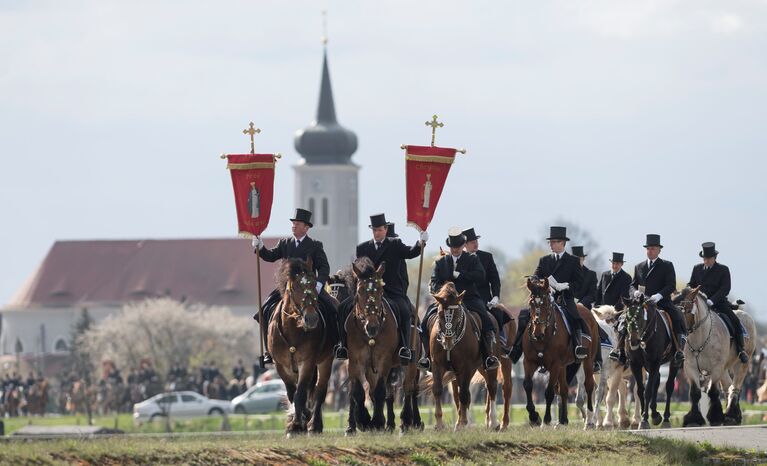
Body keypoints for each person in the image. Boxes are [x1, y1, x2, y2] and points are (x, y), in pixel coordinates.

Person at [337, 213, 427, 361]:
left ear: (385, 229)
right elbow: (359, 270)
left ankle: (404, 348)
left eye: (379, 230)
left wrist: (420, 243)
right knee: (342, 308)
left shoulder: (395, 244)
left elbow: (411, 253)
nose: (377, 233)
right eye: (374, 230)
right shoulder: (362, 247)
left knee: (405, 311)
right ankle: (343, 346)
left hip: (391, 291)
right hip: (367, 293)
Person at [252, 208, 336, 364]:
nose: (293, 226)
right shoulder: (285, 243)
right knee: (264, 311)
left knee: (333, 308)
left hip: (310, 287)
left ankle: (336, 345)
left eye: (297, 224)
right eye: (293, 223)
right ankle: (269, 351)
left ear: (306, 227)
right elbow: (270, 256)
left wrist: (318, 285)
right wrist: (260, 246)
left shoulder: (315, 245)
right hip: (287, 289)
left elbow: (324, 267)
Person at [417, 228, 500, 371]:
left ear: (463, 246)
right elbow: (435, 280)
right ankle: (427, 356)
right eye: (453, 247)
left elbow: (480, 275)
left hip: (468, 298)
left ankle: (488, 357)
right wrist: (441, 293)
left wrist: (460, 275)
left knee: (485, 319)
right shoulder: (441, 262)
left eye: (458, 247)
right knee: (425, 322)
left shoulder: (472, 259)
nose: (455, 250)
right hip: (445, 301)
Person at [509, 226, 590, 364]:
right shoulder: (544, 260)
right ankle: (516, 349)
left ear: (562, 243)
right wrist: (538, 283)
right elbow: (535, 275)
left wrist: (565, 286)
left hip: (564, 298)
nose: (551, 245)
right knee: (524, 315)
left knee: (575, 317)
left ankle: (577, 347)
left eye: (554, 242)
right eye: (550, 242)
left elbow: (579, 283)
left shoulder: (573, 261)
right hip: (545, 298)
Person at [612, 234, 686, 366]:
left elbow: (671, 285)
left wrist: (658, 296)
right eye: (648, 248)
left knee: (677, 318)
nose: (650, 251)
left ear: (659, 250)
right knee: (623, 319)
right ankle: (620, 350)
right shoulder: (639, 266)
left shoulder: (667, 265)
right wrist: (634, 292)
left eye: (652, 248)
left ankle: (679, 350)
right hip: (641, 303)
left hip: (661, 302)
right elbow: (632, 284)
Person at [687, 242, 748, 364]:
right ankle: (683, 350)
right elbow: (691, 284)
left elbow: (725, 288)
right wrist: (690, 291)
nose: (706, 261)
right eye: (704, 258)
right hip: (699, 304)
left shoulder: (723, 270)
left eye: (708, 258)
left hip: (718, 303)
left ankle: (741, 350)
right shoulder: (697, 268)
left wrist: (712, 300)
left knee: (734, 321)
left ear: (714, 258)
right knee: (686, 319)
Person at [462, 227, 510, 350]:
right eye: (472, 242)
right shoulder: (460, 259)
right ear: (465, 245)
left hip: (484, 298)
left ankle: (500, 340)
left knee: (498, 313)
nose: (476, 244)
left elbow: (495, 279)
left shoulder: (486, 257)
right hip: (464, 297)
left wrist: (495, 296)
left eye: (476, 241)